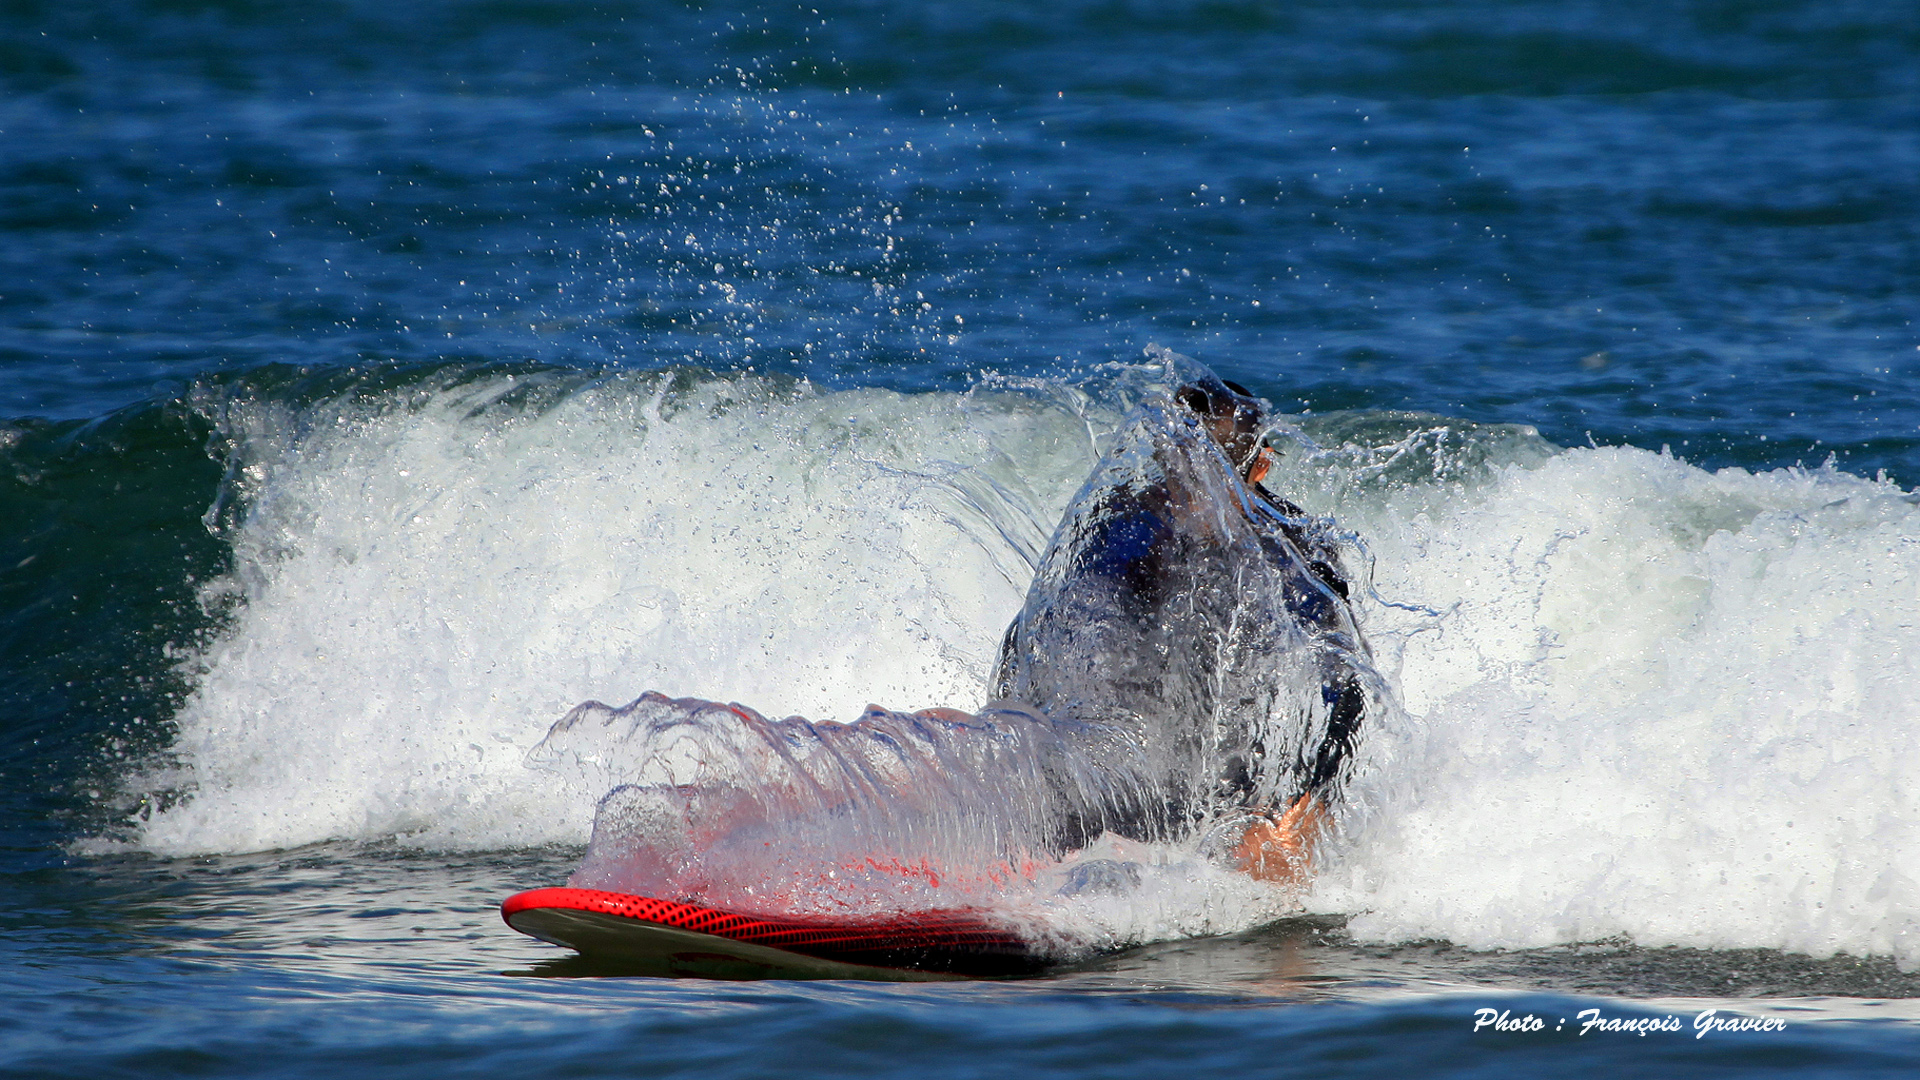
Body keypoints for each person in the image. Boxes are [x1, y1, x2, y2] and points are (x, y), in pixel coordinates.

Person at [990, 374, 1371, 886]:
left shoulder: (1291, 552)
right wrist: (1014, 753)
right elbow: (1031, 638)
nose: (1188, 503)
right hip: (1130, 759)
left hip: (1237, 773)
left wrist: (1302, 813)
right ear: (1166, 457)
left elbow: (1347, 686)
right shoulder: (1129, 526)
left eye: (1207, 482)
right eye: (1179, 475)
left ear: (1259, 469)